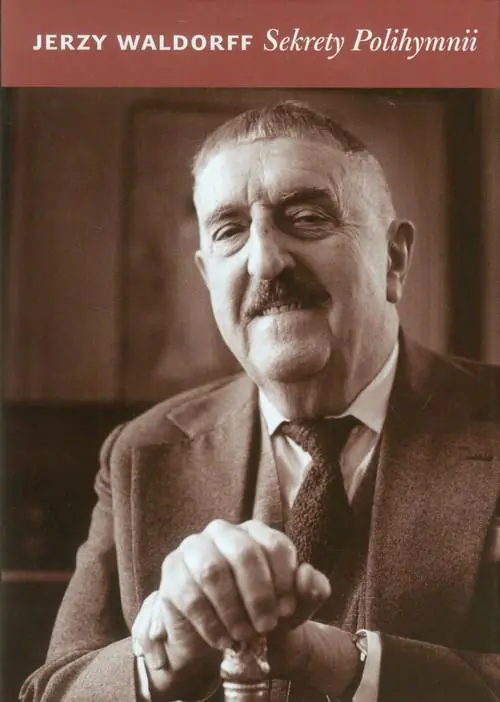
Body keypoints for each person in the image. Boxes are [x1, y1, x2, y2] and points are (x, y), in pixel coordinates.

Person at [20, 101, 500, 702]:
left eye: (307, 218)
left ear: (393, 258)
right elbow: (53, 690)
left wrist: (345, 663)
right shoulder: (142, 451)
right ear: (207, 276)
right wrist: (164, 659)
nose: (265, 260)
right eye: (229, 231)